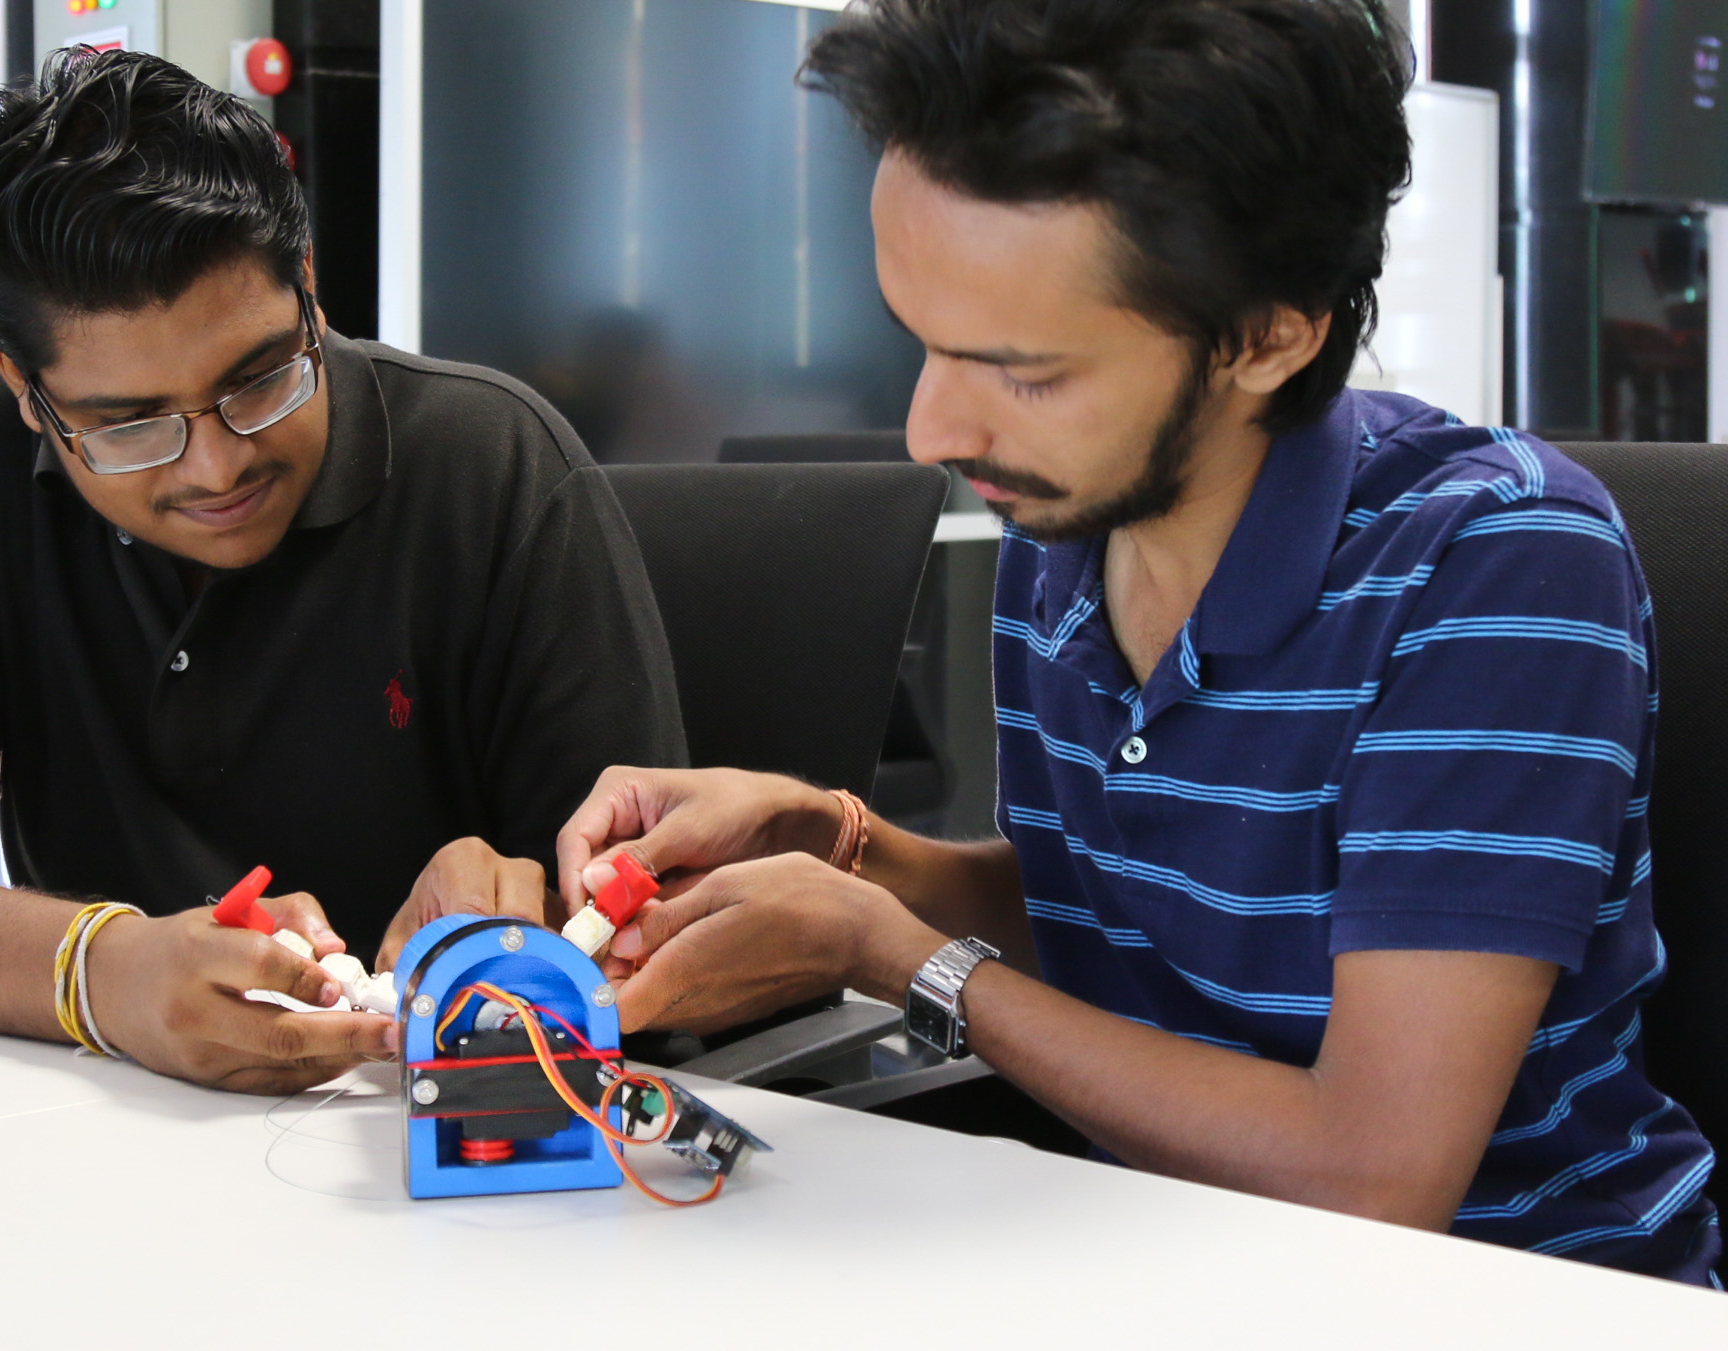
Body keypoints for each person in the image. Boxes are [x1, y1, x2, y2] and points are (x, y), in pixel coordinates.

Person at [556, 0, 1721, 1284]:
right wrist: (849, 849)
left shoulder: (1497, 563)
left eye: (1023, 371)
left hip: (1503, 1292)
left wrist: (892, 955)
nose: (929, 429)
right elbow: (1119, 919)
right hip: (1150, 1259)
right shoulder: (1064, 531)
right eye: (922, 342)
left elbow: (1372, 1174)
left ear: (1268, 333)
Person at [0, 51, 684, 1094]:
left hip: (447, 1147)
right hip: (102, 1138)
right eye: (132, 426)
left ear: (309, 287)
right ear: (25, 387)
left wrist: (521, 929)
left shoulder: (498, 469)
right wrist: (98, 971)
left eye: (258, 378)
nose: (218, 463)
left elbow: (650, 920)